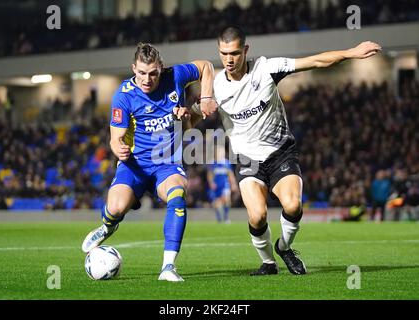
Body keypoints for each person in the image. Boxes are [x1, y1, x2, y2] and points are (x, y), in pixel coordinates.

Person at [191, 26, 381, 276]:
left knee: (292, 206)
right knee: (257, 216)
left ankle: (284, 247)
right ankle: (268, 263)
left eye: (235, 53)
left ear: (245, 50)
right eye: (224, 53)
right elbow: (195, 116)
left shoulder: (267, 69)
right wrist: (187, 116)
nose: (229, 59)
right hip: (248, 160)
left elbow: (314, 61)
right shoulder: (215, 87)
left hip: (281, 152)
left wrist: (351, 52)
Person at [81, 43, 217, 282]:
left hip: (166, 165)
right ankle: (107, 226)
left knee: (177, 196)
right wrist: (118, 147)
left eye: (153, 73)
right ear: (134, 68)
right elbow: (115, 138)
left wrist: (206, 97)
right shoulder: (123, 96)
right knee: (115, 208)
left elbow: (206, 66)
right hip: (134, 166)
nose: (147, 79)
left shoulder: (176, 75)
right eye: (141, 73)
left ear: (161, 69)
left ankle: (168, 267)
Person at [207, 146, 238, 223]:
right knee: (217, 202)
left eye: (222, 152)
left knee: (227, 200)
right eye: (219, 153)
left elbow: (230, 174)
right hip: (216, 185)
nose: (221, 154)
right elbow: (210, 174)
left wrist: (233, 184)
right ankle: (219, 218)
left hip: (225, 185)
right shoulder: (212, 163)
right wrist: (211, 183)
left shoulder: (227, 163)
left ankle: (226, 217)